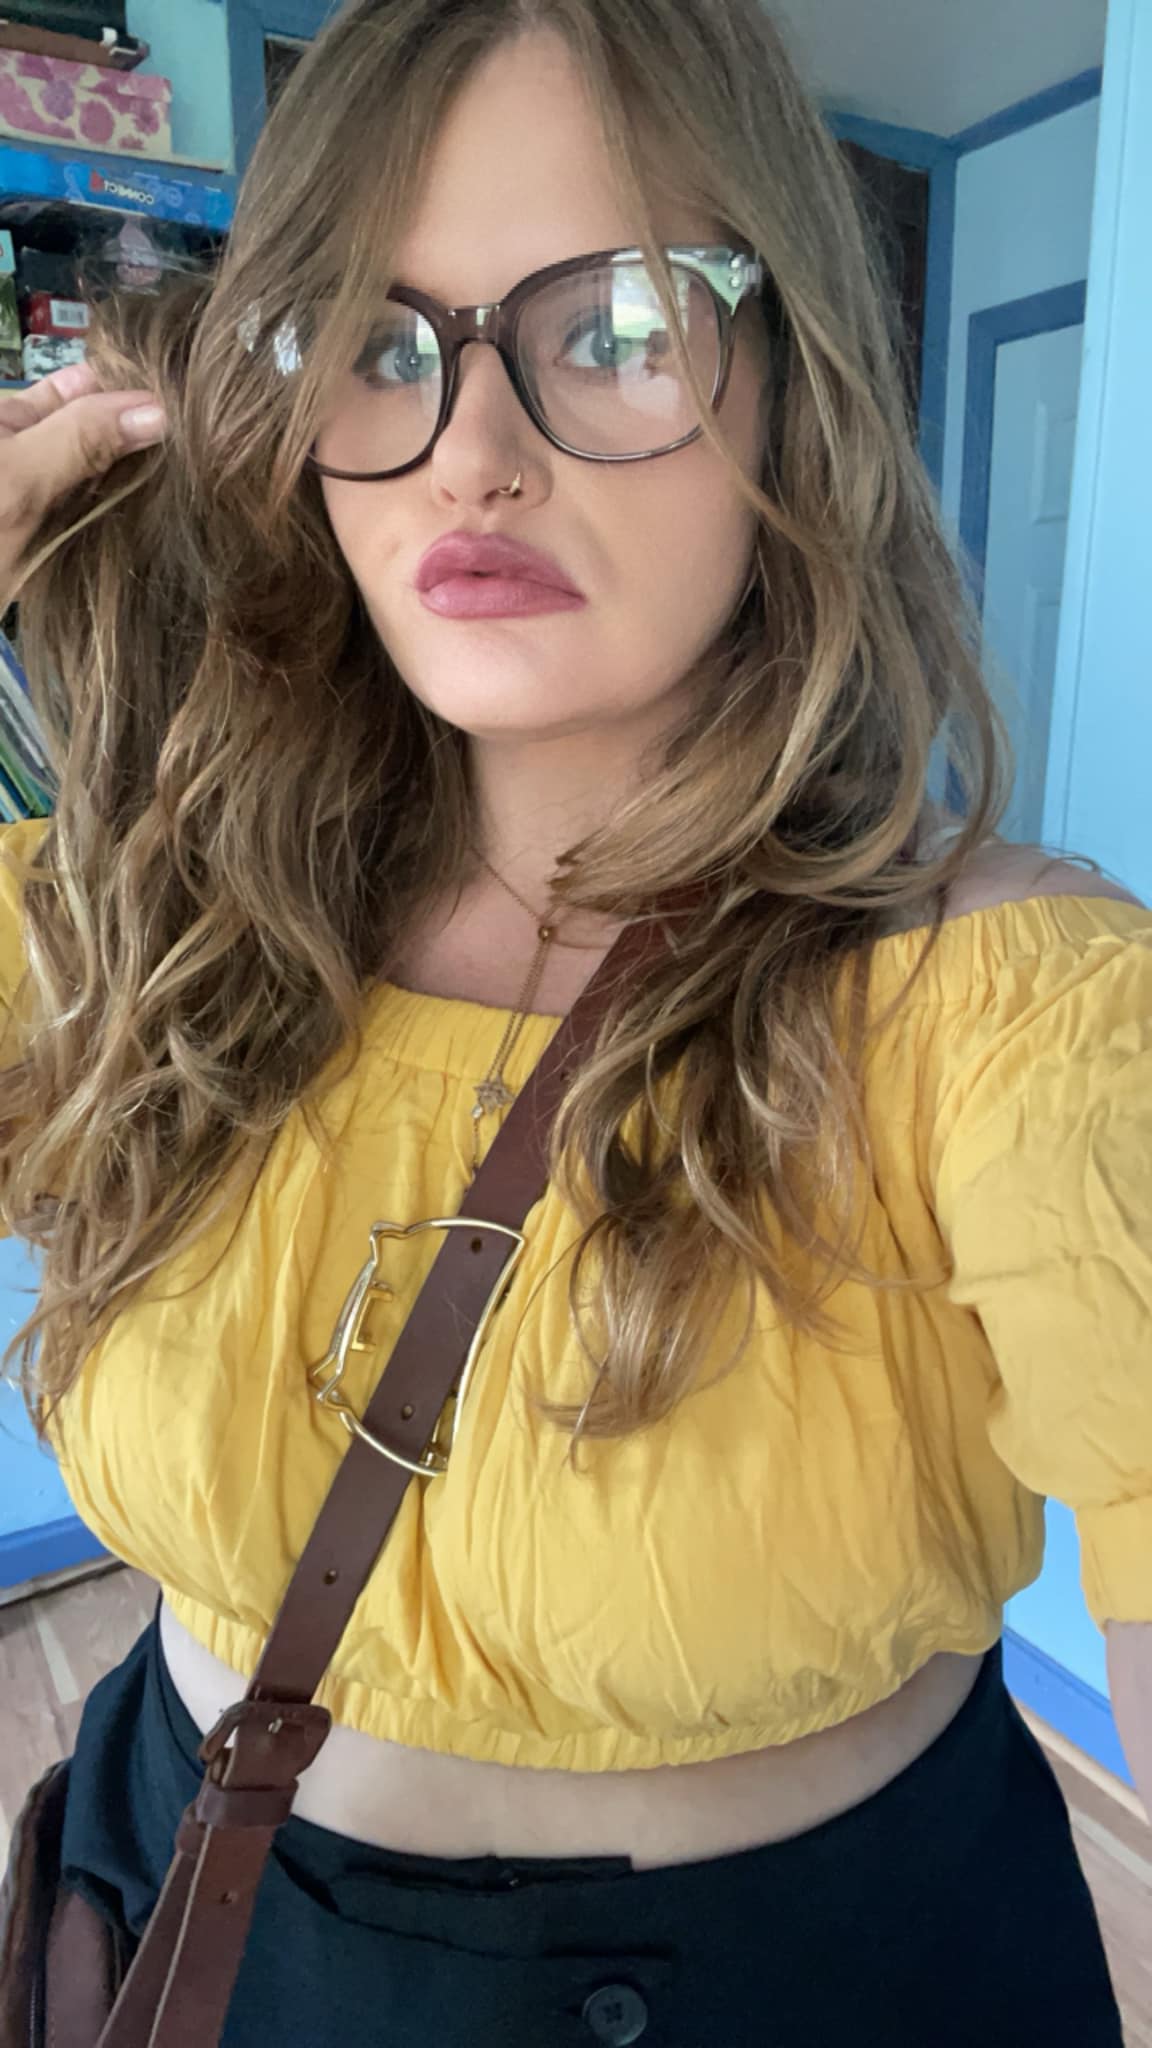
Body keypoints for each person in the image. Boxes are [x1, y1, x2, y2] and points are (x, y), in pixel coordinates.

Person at [0, 0, 1147, 2041]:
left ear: (795, 390)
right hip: (179, 1910)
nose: (473, 450)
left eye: (616, 324)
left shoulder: (1007, 1011)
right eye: (380, 342)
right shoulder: (156, 913)